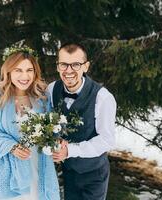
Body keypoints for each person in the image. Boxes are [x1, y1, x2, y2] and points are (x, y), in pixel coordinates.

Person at [0, 46, 60, 200]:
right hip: (9, 170)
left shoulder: (42, 98)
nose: (25, 76)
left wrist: (56, 140)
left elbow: (52, 131)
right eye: (18, 70)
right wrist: (11, 146)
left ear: (35, 72)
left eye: (29, 70)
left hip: (39, 166)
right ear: (8, 71)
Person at [48, 43, 117, 200]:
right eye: (64, 64)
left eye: (76, 65)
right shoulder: (52, 89)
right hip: (68, 171)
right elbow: (48, 121)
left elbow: (106, 140)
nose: (69, 70)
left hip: (93, 174)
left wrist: (70, 150)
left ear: (86, 67)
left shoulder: (103, 97)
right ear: (57, 66)